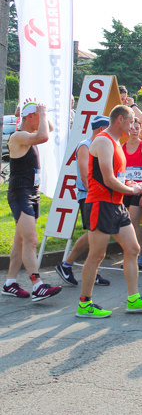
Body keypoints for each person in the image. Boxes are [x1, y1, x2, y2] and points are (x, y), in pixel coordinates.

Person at [79, 105, 142, 318]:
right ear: (121, 120)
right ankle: (85, 304)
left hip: (116, 204)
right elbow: (107, 179)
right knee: (96, 254)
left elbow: (117, 177)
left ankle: (133, 299)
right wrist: (131, 189)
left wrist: (132, 183)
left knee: (133, 249)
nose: (134, 125)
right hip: (100, 204)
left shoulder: (116, 142)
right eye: (132, 120)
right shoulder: (104, 141)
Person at [3, 103, 63, 301]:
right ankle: (37, 285)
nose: (43, 121)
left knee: (20, 241)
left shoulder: (28, 132)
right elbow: (44, 136)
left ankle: (10, 283)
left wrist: (40, 114)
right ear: (30, 118)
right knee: (31, 240)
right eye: (38, 117)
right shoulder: (18, 136)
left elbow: (50, 129)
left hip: (31, 192)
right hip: (21, 193)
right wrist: (42, 112)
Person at [55, 115, 115, 285]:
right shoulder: (85, 146)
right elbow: (85, 175)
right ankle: (68, 265)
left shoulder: (103, 145)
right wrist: (97, 195)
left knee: (95, 234)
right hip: (89, 196)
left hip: (99, 195)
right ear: (102, 129)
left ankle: (73, 266)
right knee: (95, 234)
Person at [121, 117, 142, 268]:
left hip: (140, 190)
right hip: (126, 189)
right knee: (124, 224)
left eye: (137, 128)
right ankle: (130, 255)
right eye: (132, 128)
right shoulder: (121, 147)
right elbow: (120, 171)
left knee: (133, 221)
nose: (134, 131)